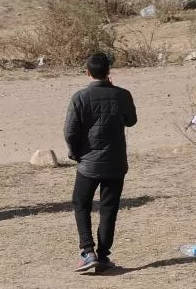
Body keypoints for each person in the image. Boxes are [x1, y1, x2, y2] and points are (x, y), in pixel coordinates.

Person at [65, 53, 137, 274]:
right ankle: (103, 256)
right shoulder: (122, 95)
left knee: (81, 203)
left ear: (88, 72)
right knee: (109, 209)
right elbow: (131, 121)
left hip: (89, 163)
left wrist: (76, 154)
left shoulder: (80, 97)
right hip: (115, 163)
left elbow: (70, 131)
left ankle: (88, 251)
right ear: (109, 72)